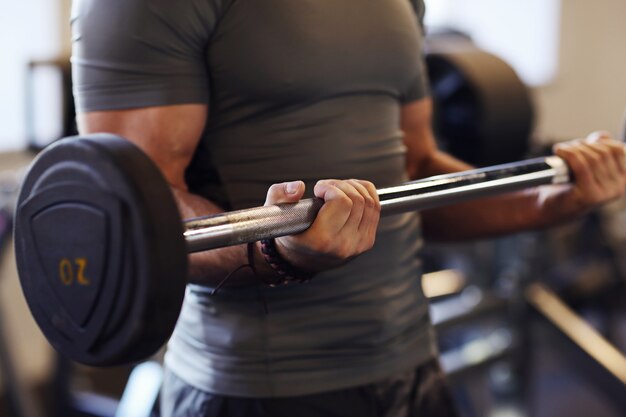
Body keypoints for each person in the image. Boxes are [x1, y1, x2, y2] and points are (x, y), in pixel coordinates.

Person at [70, 0, 626, 415]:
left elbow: (412, 171)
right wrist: (277, 250)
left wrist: (552, 201)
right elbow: (139, 211)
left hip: (413, 367)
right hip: (259, 389)